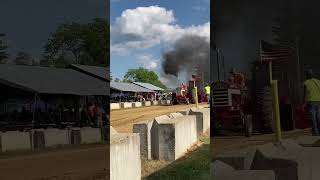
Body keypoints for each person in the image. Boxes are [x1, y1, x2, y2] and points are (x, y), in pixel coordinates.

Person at [304, 69, 320, 136]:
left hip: (311, 103)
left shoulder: (306, 83)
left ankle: (316, 134)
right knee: (318, 118)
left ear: (307, 75)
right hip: (318, 102)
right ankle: (317, 132)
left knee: (313, 119)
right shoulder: (318, 81)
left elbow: (304, 94)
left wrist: (304, 104)